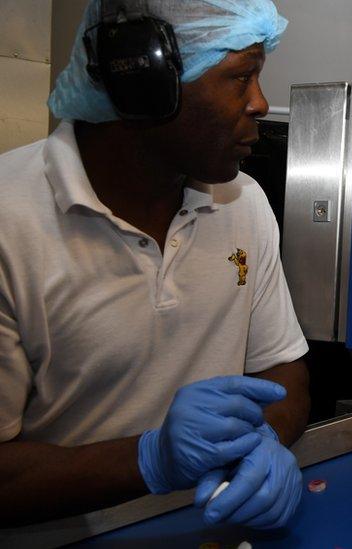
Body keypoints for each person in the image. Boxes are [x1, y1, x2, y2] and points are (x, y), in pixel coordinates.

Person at [0, 0, 310, 530]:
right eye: (241, 77)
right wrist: (151, 460)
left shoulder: (245, 204)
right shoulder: (10, 219)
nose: (260, 103)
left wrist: (262, 440)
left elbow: (283, 371)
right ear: (142, 80)